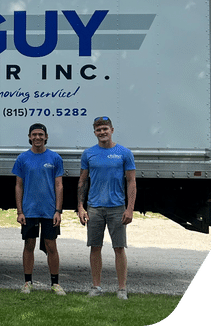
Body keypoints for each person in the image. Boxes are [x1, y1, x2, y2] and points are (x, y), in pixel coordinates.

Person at [77, 116, 137, 300]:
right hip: (94, 207)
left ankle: (121, 289)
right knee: (95, 247)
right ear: (94, 132)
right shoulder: (89, 154)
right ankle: (96, 287)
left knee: (119, 248)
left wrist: (130, 209)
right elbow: (82, 181)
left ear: (112, 130)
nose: (102, 132)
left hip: (117, 208)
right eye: (98, 130)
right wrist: (80, 206)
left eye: (105, 129)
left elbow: (131, 181)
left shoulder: (124, 153)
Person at [12, 123, 66, 296]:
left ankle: (55, 284)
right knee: (29, 245)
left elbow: (59, 185)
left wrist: (58, 210)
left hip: (49, 211)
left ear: (46, 137)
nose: (37, 137)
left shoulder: (55, 158)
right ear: (29, 137)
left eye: (41, 134)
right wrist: (20, 211)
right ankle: (28, 282)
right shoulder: (22, 159)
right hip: (29, 210)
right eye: (34, 134)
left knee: (51, 246)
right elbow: (18, 186)